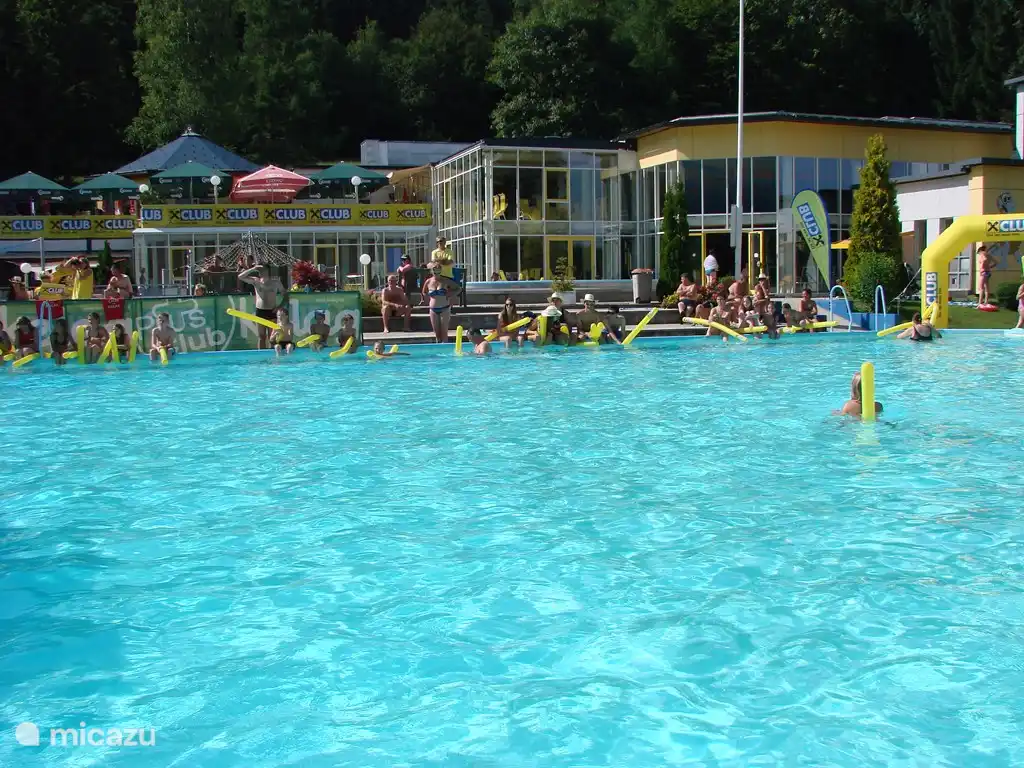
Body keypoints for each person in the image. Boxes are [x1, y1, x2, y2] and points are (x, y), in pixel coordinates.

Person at [238, 264, 286, 350]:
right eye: (258, 270)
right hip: (260, 311)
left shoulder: (275, 282)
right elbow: (240, 276)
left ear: (267, 270)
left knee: (272, 338)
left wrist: (279, 307)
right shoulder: (256, 281)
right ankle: (261, 358)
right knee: (261, 337)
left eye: (261, 269)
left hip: (272, 311)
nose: (259, 271)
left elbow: (285, 296)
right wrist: (252, 268)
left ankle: (272, 358)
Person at [421, 263, 454, 343]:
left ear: (441, 271)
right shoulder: (428, 281)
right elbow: (423, 292)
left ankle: (446, 351)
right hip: (433, 309)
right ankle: (438, 353)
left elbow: (458, 288)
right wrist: (428, 298)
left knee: (444, 333)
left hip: (444, 308)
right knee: (437, 334)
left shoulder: (445, 280)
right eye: (435, 272)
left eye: (438, 272)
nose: (437, 273)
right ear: (432, 271)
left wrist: (450, 295)